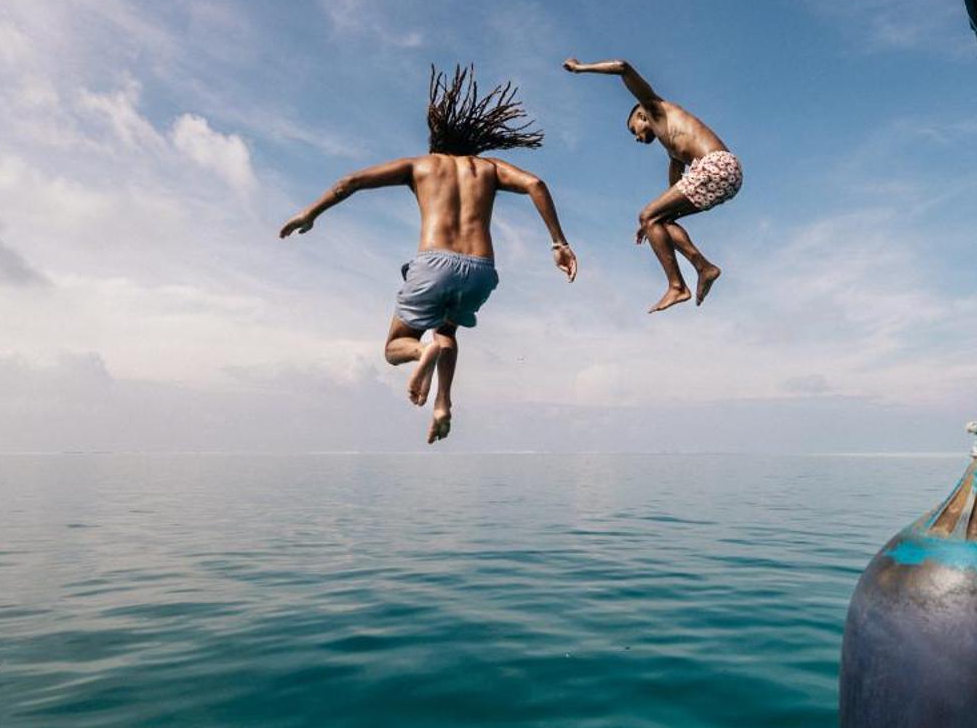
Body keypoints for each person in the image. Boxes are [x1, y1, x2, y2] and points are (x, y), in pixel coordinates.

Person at [280, 65, 577, 443]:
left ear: (435, 141)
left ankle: (421, 354)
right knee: (448, 331)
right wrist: (558, 242)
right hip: (482, 271)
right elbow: (536, 183)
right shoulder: (487, 167)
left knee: (393, 348)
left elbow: (349, 182)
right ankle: (443, 405)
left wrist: (311, 213)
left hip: (435, 263)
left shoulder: (421, 165)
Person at [562, 56, 741, 312]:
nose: (635, 137)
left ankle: (677, 287)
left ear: (641, 115)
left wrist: (581, 68)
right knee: (659, 220)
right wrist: (654, 221)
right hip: (727, 177)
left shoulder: (655, 108)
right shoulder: (672, 149)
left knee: (648, 216)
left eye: (632, 129)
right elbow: (675, 187)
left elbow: (623, 67)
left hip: (717, 165)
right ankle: (704, 268)